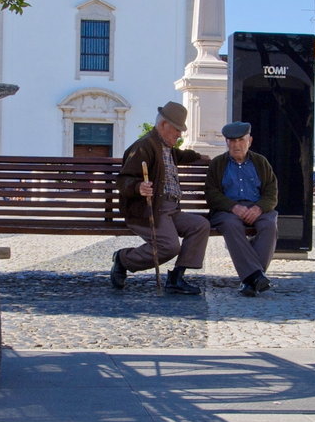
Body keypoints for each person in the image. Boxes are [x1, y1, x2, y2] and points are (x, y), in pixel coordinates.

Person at [110, 101, 210, 295]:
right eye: (177, 129)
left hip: (170, 210)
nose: (180, 134)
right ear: (164, 125)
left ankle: (176, 278)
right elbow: (122, 180)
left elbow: (181, 156)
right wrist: (138, 187)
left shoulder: (167, 147)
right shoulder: (144, 146)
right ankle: (123, 259)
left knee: (200, 225)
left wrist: (199, 156)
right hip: (149, 210)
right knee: (169, 247)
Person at [205, 121, 279, 297]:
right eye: (232, 141)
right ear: (226, 142)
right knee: (231, 225)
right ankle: (256, 277)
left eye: (241, 140)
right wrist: (233, 207)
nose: (236, 145)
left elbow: (271, 192)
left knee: (269, 225)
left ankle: (250, 280)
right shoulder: (218, 163)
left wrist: (259, 208)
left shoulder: (260, 162)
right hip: (227, 211)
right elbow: (211, 194)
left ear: (249, 141)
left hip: (257, 208)